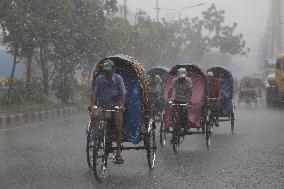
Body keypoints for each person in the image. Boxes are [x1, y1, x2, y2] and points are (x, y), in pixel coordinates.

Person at [91, 59, 126, 164]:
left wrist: (122, 105)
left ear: (113, 69)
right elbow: (94, 92)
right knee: (95, 117)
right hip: (102, 106)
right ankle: (97, 139)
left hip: (115, 106)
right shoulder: (99, 79)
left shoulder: (118, 79)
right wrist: (93, 105)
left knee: (118, 129)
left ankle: (119, 153)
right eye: (105, 71)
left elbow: (123, 92)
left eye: (109, 70)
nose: (107, 73)